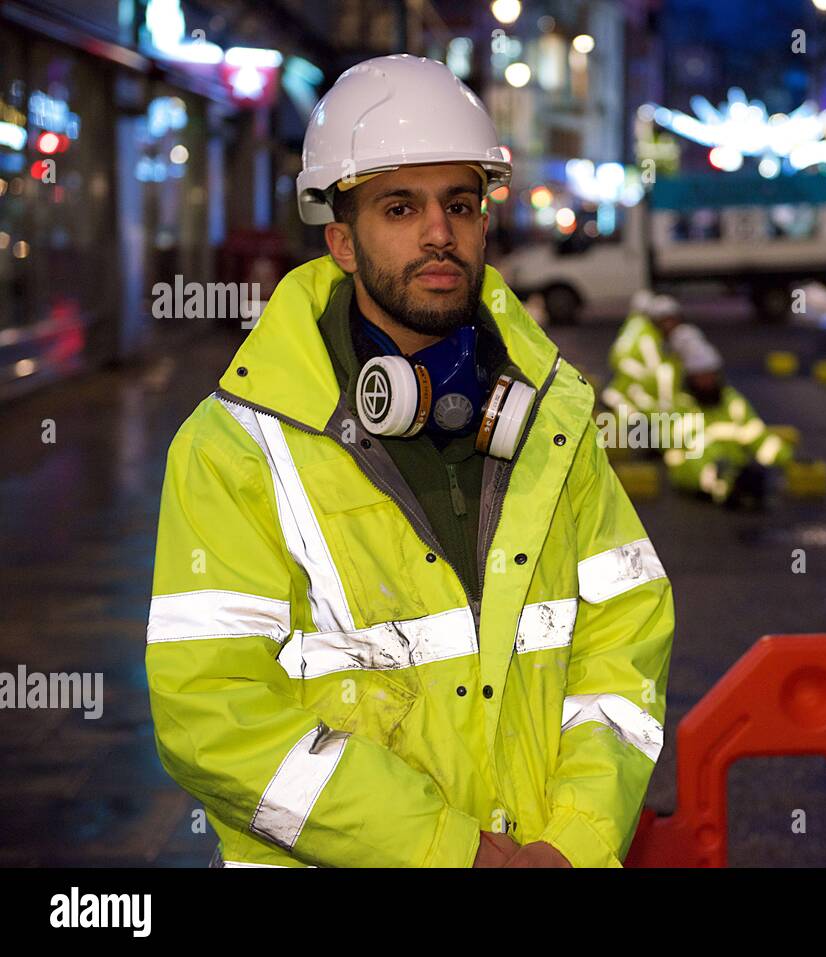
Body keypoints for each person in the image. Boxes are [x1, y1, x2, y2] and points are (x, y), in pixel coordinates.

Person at [145, 55, 673, 869]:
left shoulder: (550, 417)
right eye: (401, 206)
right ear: (342, 242)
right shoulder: (237, 447)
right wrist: (451, 851)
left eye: (460, 204)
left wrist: (574, 840)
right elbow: (214, 715)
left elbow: (623, 636)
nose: (439, 232)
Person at [663, 324, 791, 508]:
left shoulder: (732, 401)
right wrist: (723, 478)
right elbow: (691, 457)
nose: (707, 382)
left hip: (736, 472)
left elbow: (756, 435)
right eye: (702, 377)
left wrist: (787, 459)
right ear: (690, 378)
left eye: (711, 375)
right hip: (696, 481)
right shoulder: (680, 408)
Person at [602, 292, 680, 418]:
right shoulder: (647, 330)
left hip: (620, 373)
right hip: (633, 377)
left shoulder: (631, 324)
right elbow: (654, 363)